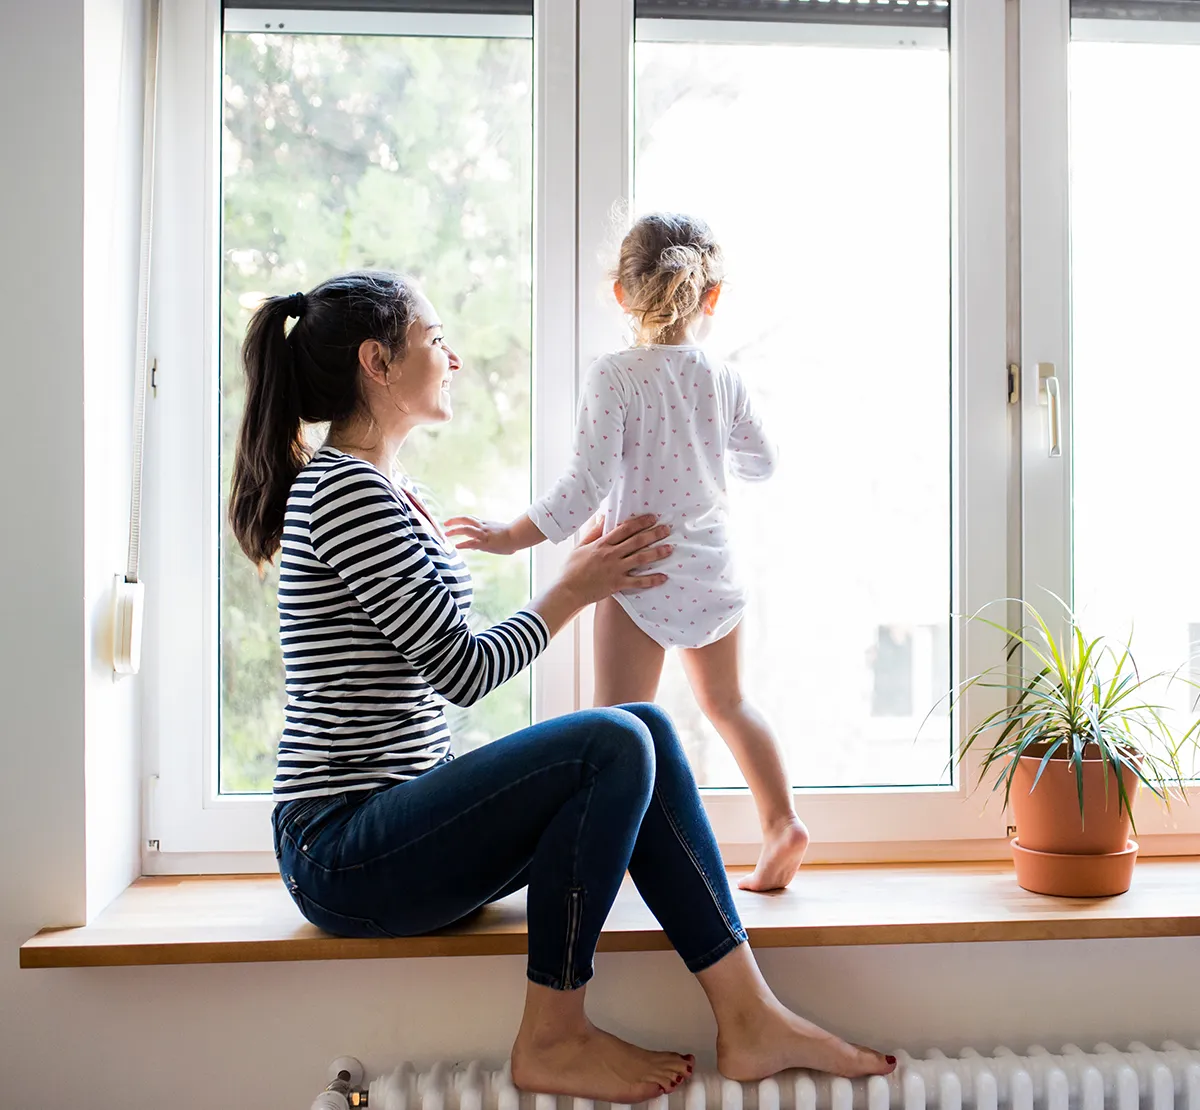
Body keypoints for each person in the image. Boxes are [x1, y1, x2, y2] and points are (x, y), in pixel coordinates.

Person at [229, 269, 896, 1104]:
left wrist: (576, 574)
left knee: (643, 726)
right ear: (379, 362)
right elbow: (462, 670)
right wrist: (573, 589)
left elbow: (436, 651)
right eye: (435, 340)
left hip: (393, 825)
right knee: (613, 738)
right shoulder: (346, 493)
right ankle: (553, 1033)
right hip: (341, 850)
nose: (454, 357)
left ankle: (749, 1015)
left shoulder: (393, 491)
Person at [446, 213, 806, 892]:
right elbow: (763, 463)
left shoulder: (613, 378)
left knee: (617, 729)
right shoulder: (722, 378)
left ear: (620, 293)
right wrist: (705, 448)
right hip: (712, 566)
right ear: (713, 297)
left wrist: (505, 536)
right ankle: (782, 821)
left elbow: (581, 490)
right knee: (729, 703)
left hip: (637, 568)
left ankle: (617, 860)